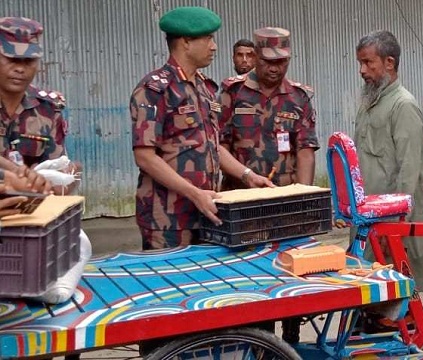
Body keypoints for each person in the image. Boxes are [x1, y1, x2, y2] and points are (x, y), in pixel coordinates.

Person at [130, 7, 272, 250]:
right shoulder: (155, 90)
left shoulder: (204, 89)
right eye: (208, 38)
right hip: (167, 219)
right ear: (185, 42)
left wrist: (248, 176)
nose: (214, 46)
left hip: (206, 213)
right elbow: (145, 156)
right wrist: (194, 193)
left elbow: (212, 146)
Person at [354, 30, 423, 293]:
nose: (362, 70)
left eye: (368, 62)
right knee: (369, 296)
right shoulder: (370, 100)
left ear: (389, 63)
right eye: (360, 63)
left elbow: (408, 173)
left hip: (392, 223)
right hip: (369, 218)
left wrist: (394, 227)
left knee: (399, 302)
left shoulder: (403, 105)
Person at [218, 27, 319, 189]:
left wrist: (303, 196)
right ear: (256, 57)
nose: (274, 69)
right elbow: (218, 147)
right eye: (268, 62)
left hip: (284, 196)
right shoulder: (233, 92)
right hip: (241, 195)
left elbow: (305, 151)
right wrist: (246, 176)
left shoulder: (298, 97)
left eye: (281, 62)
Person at [0, 17, 78, 194]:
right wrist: (17, 173)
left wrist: (61, 180)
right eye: (12, 59)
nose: (20, 69)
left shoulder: (47, 109)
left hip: (30, 210)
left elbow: (57, 169)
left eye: (29, 61)